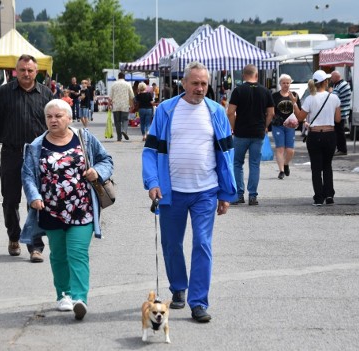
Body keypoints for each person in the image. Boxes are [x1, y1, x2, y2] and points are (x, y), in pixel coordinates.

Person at [142, 61, 237, 323]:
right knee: (171, 244)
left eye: (204, 84)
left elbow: (227, 155)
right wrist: (152, 182)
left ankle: (198, 302)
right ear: (183, 83)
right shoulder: (166, 110)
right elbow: (150, 151)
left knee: (202, 244)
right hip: (172, 192)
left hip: (205, 192)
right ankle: (178, 288)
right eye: (194, 83)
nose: (199, 88)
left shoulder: (216, 112)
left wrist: (226, 194)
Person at [21, 99, 114, 320]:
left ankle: (80, 298)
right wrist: (33, 196)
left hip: (82, 208)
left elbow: (107, 160)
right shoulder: (36, 146)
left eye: (58, 116)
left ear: (69, 118)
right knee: (59, 255)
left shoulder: (85, 139)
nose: (53, 120)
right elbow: (27, 175)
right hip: (51, 210)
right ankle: (63, 294)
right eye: (49, 117)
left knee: (78, 253)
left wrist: (97, 171)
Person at [0, 54, 52, 263]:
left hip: (38, 157)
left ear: (36, 72)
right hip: (11, 155)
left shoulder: (46, 94)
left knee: (35, 202)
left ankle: (35, 246)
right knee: (10, 201)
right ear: (15, 71)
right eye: (22, 70)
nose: (26, 74)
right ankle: (13, 236)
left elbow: (56, 124)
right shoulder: (3, 93)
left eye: (30, 70)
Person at [289, 70, 341, 206]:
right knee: (327, 166)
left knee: (316, 168)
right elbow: (338, 119)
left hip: (315, 134)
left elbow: (300, 117)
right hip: (330, 134)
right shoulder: (334, 98)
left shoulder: (310, 98)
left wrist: (294, 103)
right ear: (326, 82)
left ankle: (319, 197)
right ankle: (329, 195)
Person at [226, 64, 275, 206]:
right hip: (258, 133)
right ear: (257, 75)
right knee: (254, 164)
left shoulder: (238, 90)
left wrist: (234, 127)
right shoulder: (265, 91)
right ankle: (252, 196)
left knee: (237, 163)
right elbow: (271, 113)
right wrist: (264, 126)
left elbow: (230, 112)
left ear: (243, 75)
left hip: (241, 132)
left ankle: (239, 195)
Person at [270, 74, 301, 179]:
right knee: (280, 149)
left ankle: (286, 163)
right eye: (283, 83)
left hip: (290, 125)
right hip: (278, 125)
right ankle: (281, 171)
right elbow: (270, 111)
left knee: (290, 150)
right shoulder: (274, 96)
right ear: (280, 84)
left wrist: (294, 102)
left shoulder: (294, 95)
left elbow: (298, 113)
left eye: (288, 83)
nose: (286, 85)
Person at [330, 70, 351, 155]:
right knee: (338, 131)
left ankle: (342, 149)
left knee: (339, 132)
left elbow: (333, 97)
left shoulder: (342, 85)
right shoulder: (340, 84)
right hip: (340, 112)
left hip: (340, 113)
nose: (331, 79)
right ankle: (340, 149)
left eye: (332, 77)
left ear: (336, 77)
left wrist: (330, 91)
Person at [109, 72, 134, 141]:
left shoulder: (114, 84)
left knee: (117, 122)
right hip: (125, 105)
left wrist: (109, 105)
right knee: (125, 120)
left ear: (118, 76)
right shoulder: (128, 84)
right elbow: (131, 96)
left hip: (116, 106)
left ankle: (119, 137)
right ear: (124, 77)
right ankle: (124, 130)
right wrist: (132, 105)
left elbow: (110, 97)